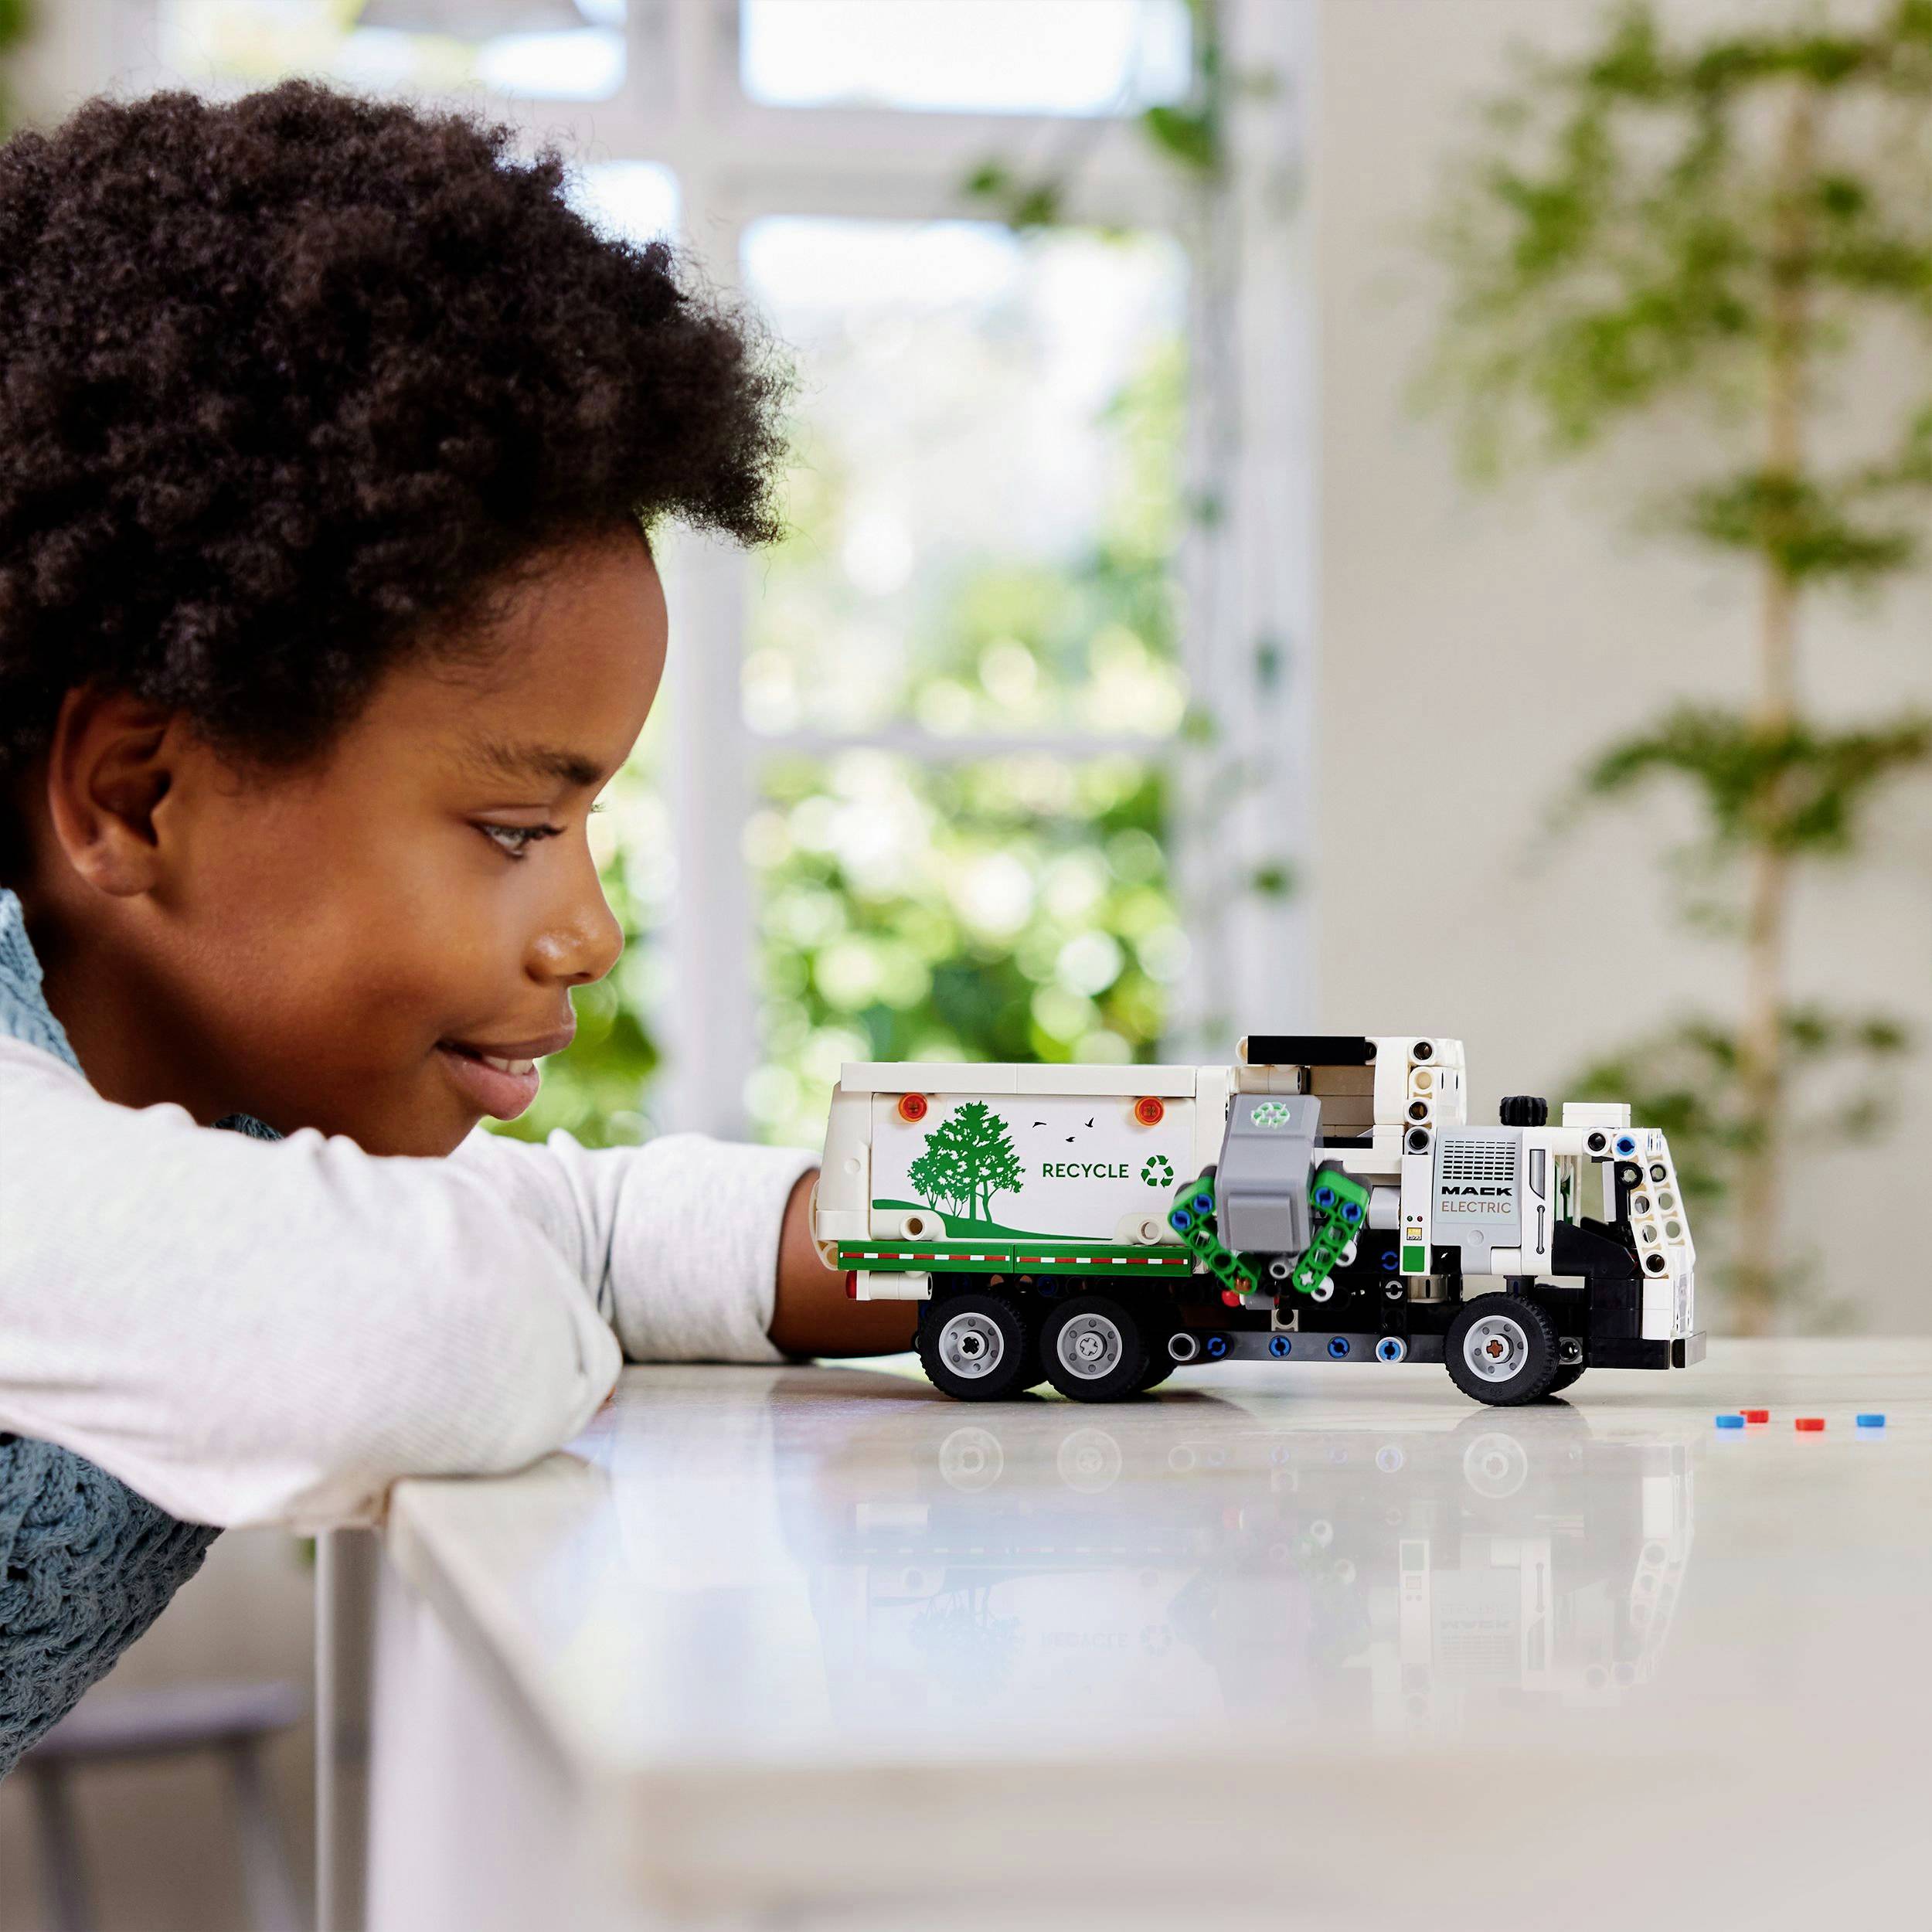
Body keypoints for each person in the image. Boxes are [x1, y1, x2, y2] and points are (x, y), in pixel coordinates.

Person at [0, 80, 913, 1777]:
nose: (588, 931)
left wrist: (1026, 1232)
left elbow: (578, 1232)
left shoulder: (177, 1114)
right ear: (136, 790)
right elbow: (423, 1330)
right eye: (513, 830)